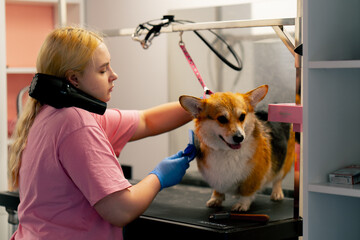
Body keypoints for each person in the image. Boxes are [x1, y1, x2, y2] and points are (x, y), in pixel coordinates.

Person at [8, 26, 195, 240]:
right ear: (74, 79)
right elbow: (121, 210)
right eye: (103, 70)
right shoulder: (75, 122)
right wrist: (159, 177)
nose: (114, 75)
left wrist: (206, 106)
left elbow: (147, 121)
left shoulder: (51, 112)